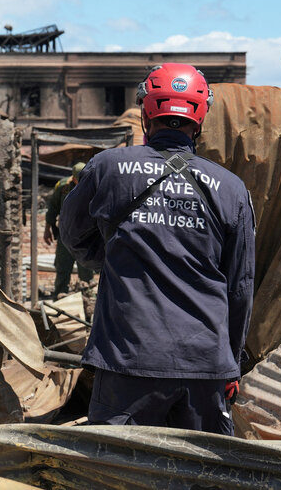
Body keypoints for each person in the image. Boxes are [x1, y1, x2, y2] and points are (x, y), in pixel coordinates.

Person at [59, 63, 255, 435]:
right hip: (205, 366)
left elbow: (72, 236)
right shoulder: (231, 189)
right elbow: (240, 286)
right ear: (200, 117)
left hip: (126, 363)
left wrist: (116, 261)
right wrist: (230, 362)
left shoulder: (107, 168)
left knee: (118, 472)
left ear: (146, 111)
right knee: (204, 475)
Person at [44, 162, 94, 299]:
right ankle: (61, 293)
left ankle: (88, 294)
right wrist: (47, 229)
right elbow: (53, 208)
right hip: (66, 233)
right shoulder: (63, 186)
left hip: (87, 234)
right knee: (63, 264)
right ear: (73, 178)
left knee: (86, 265)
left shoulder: (94, 184)